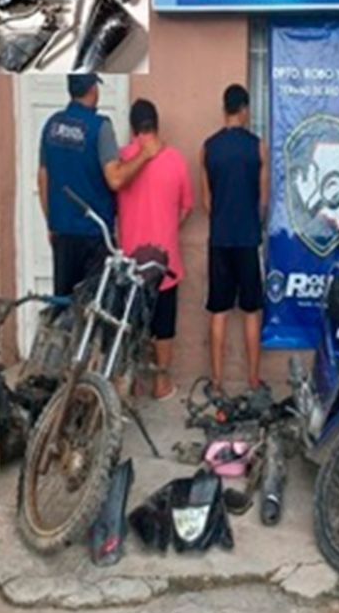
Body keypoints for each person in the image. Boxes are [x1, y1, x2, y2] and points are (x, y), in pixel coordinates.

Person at [39, 73, 155, 296]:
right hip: (94, 233)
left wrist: (51, 223)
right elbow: (115, 179)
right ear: (93, 89)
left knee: (64, 304)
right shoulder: (100, 127)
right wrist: (144, 154)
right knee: (95, 306)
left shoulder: (52, 125)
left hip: (63, 232)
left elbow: (43, 177)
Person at [114, 99, 193, 401]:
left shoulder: (122, 160)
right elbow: (185, 209)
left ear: (133, 128)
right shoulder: (176, 160)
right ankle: (161, 384)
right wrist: (166, 228)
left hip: (131, 262)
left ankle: (133, 383)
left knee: (131, 323)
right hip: (165, 261)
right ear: (157, 125)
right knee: (164, 325)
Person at [201, 84, 268, 392]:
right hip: (248, 238)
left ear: (223, 109)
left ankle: (217, 382)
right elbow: (264, 200)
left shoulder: (208, 148)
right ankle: (253, 380)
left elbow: (207, 203)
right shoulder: (258, 147)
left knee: (219, 311)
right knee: (251, 311)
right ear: (244, 110)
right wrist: (254, 223)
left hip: (219, 240)